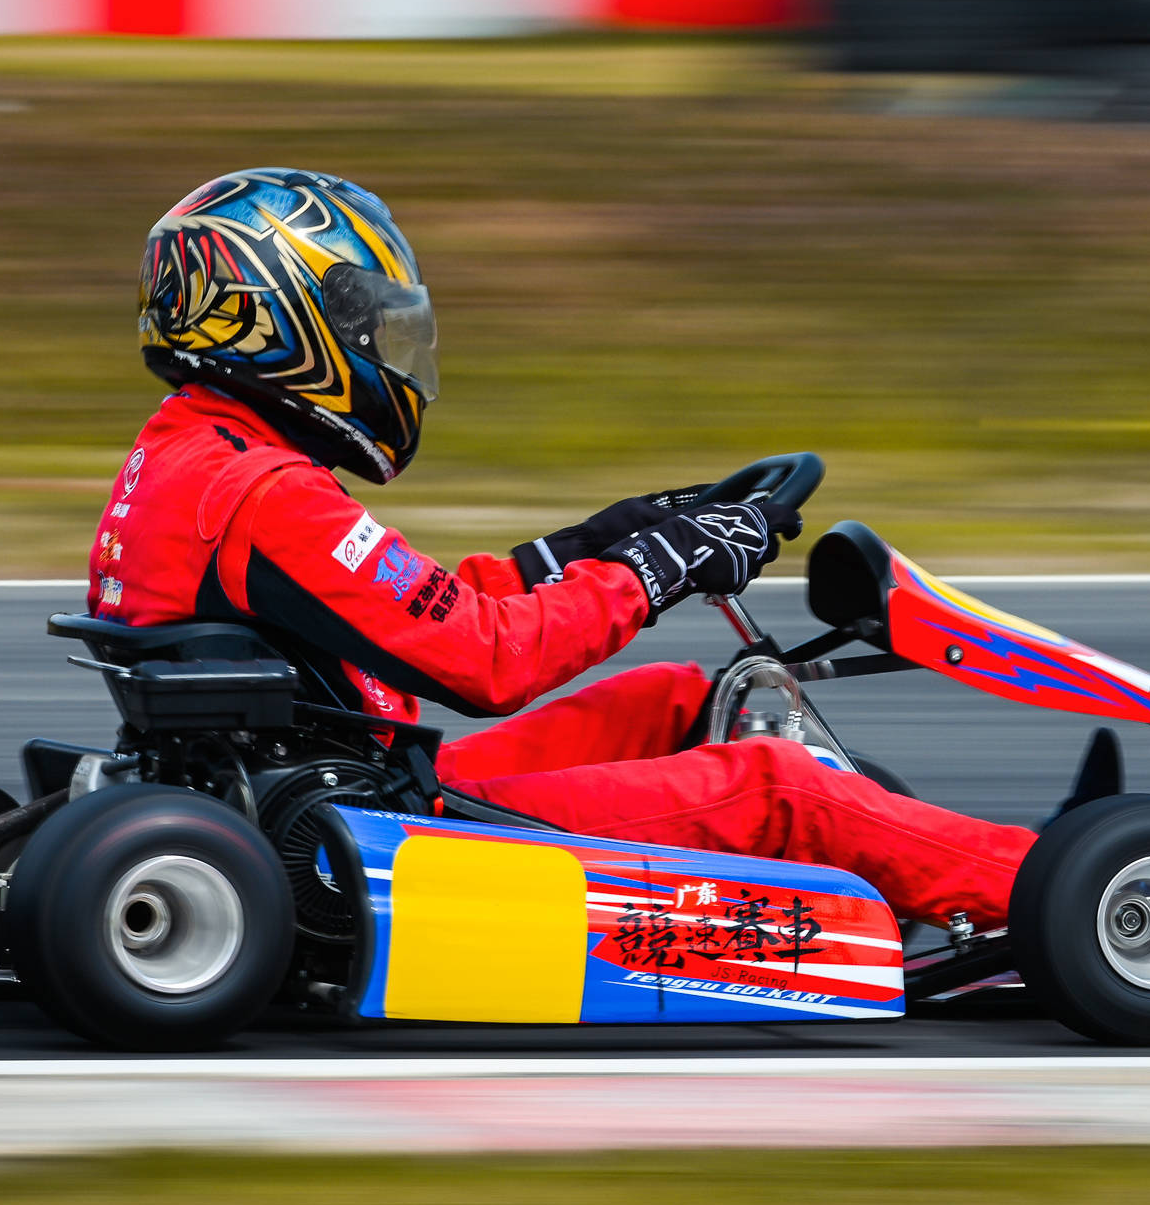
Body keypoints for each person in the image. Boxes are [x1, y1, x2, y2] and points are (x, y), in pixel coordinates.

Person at [87, 168, 1035, 929]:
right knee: (782, 788)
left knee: (673, 697)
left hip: (321, 784)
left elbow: (417, 609)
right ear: (280, 319)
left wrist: (597, 541)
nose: (381, 345)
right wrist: (661, 565)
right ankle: (1062, 891)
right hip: (379, 833)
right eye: (362, 321)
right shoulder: (271, 494)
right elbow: (490, 661)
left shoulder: (194, 452)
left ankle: (899, 870)